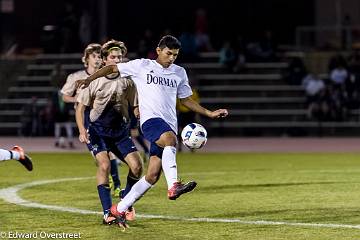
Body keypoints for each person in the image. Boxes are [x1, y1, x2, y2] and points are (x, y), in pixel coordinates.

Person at [77, 35, 228, 229]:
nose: (172, 58)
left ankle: (119, 209)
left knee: (152, 176)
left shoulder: (179, 72)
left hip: (169, 124)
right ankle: (173, 185)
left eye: (175, 55)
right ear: (158, 50)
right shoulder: (142, 65)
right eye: (168, 53)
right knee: (170, 140)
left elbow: (186, 100)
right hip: (150, 121)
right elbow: (112, 68)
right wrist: (90, 79)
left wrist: (209, 113)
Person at [75, 39, 143, 225]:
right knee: (104, 165)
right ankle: (107, 212)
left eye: (120, 57)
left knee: (137, 167)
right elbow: (80, 109)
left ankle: (125, 202)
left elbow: (134, 104)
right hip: (98, 132)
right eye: (113, 57)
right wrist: (82, 130)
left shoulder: (128, 81)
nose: (117, 60)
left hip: (120, 131)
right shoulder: (94, 81)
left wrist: (139, 116)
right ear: (105, 60)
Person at [60, 43, 122, 196]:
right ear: (86, 59)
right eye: (93, 56)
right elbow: (65, 96)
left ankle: (117, 184)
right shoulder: (76, 77)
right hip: (86, 118)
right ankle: (110, 180)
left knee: (110, 154)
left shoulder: (106, 75)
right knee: (100, 157)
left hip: (104, 116)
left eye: (99, 56)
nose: (97, 59)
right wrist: (79, 99)